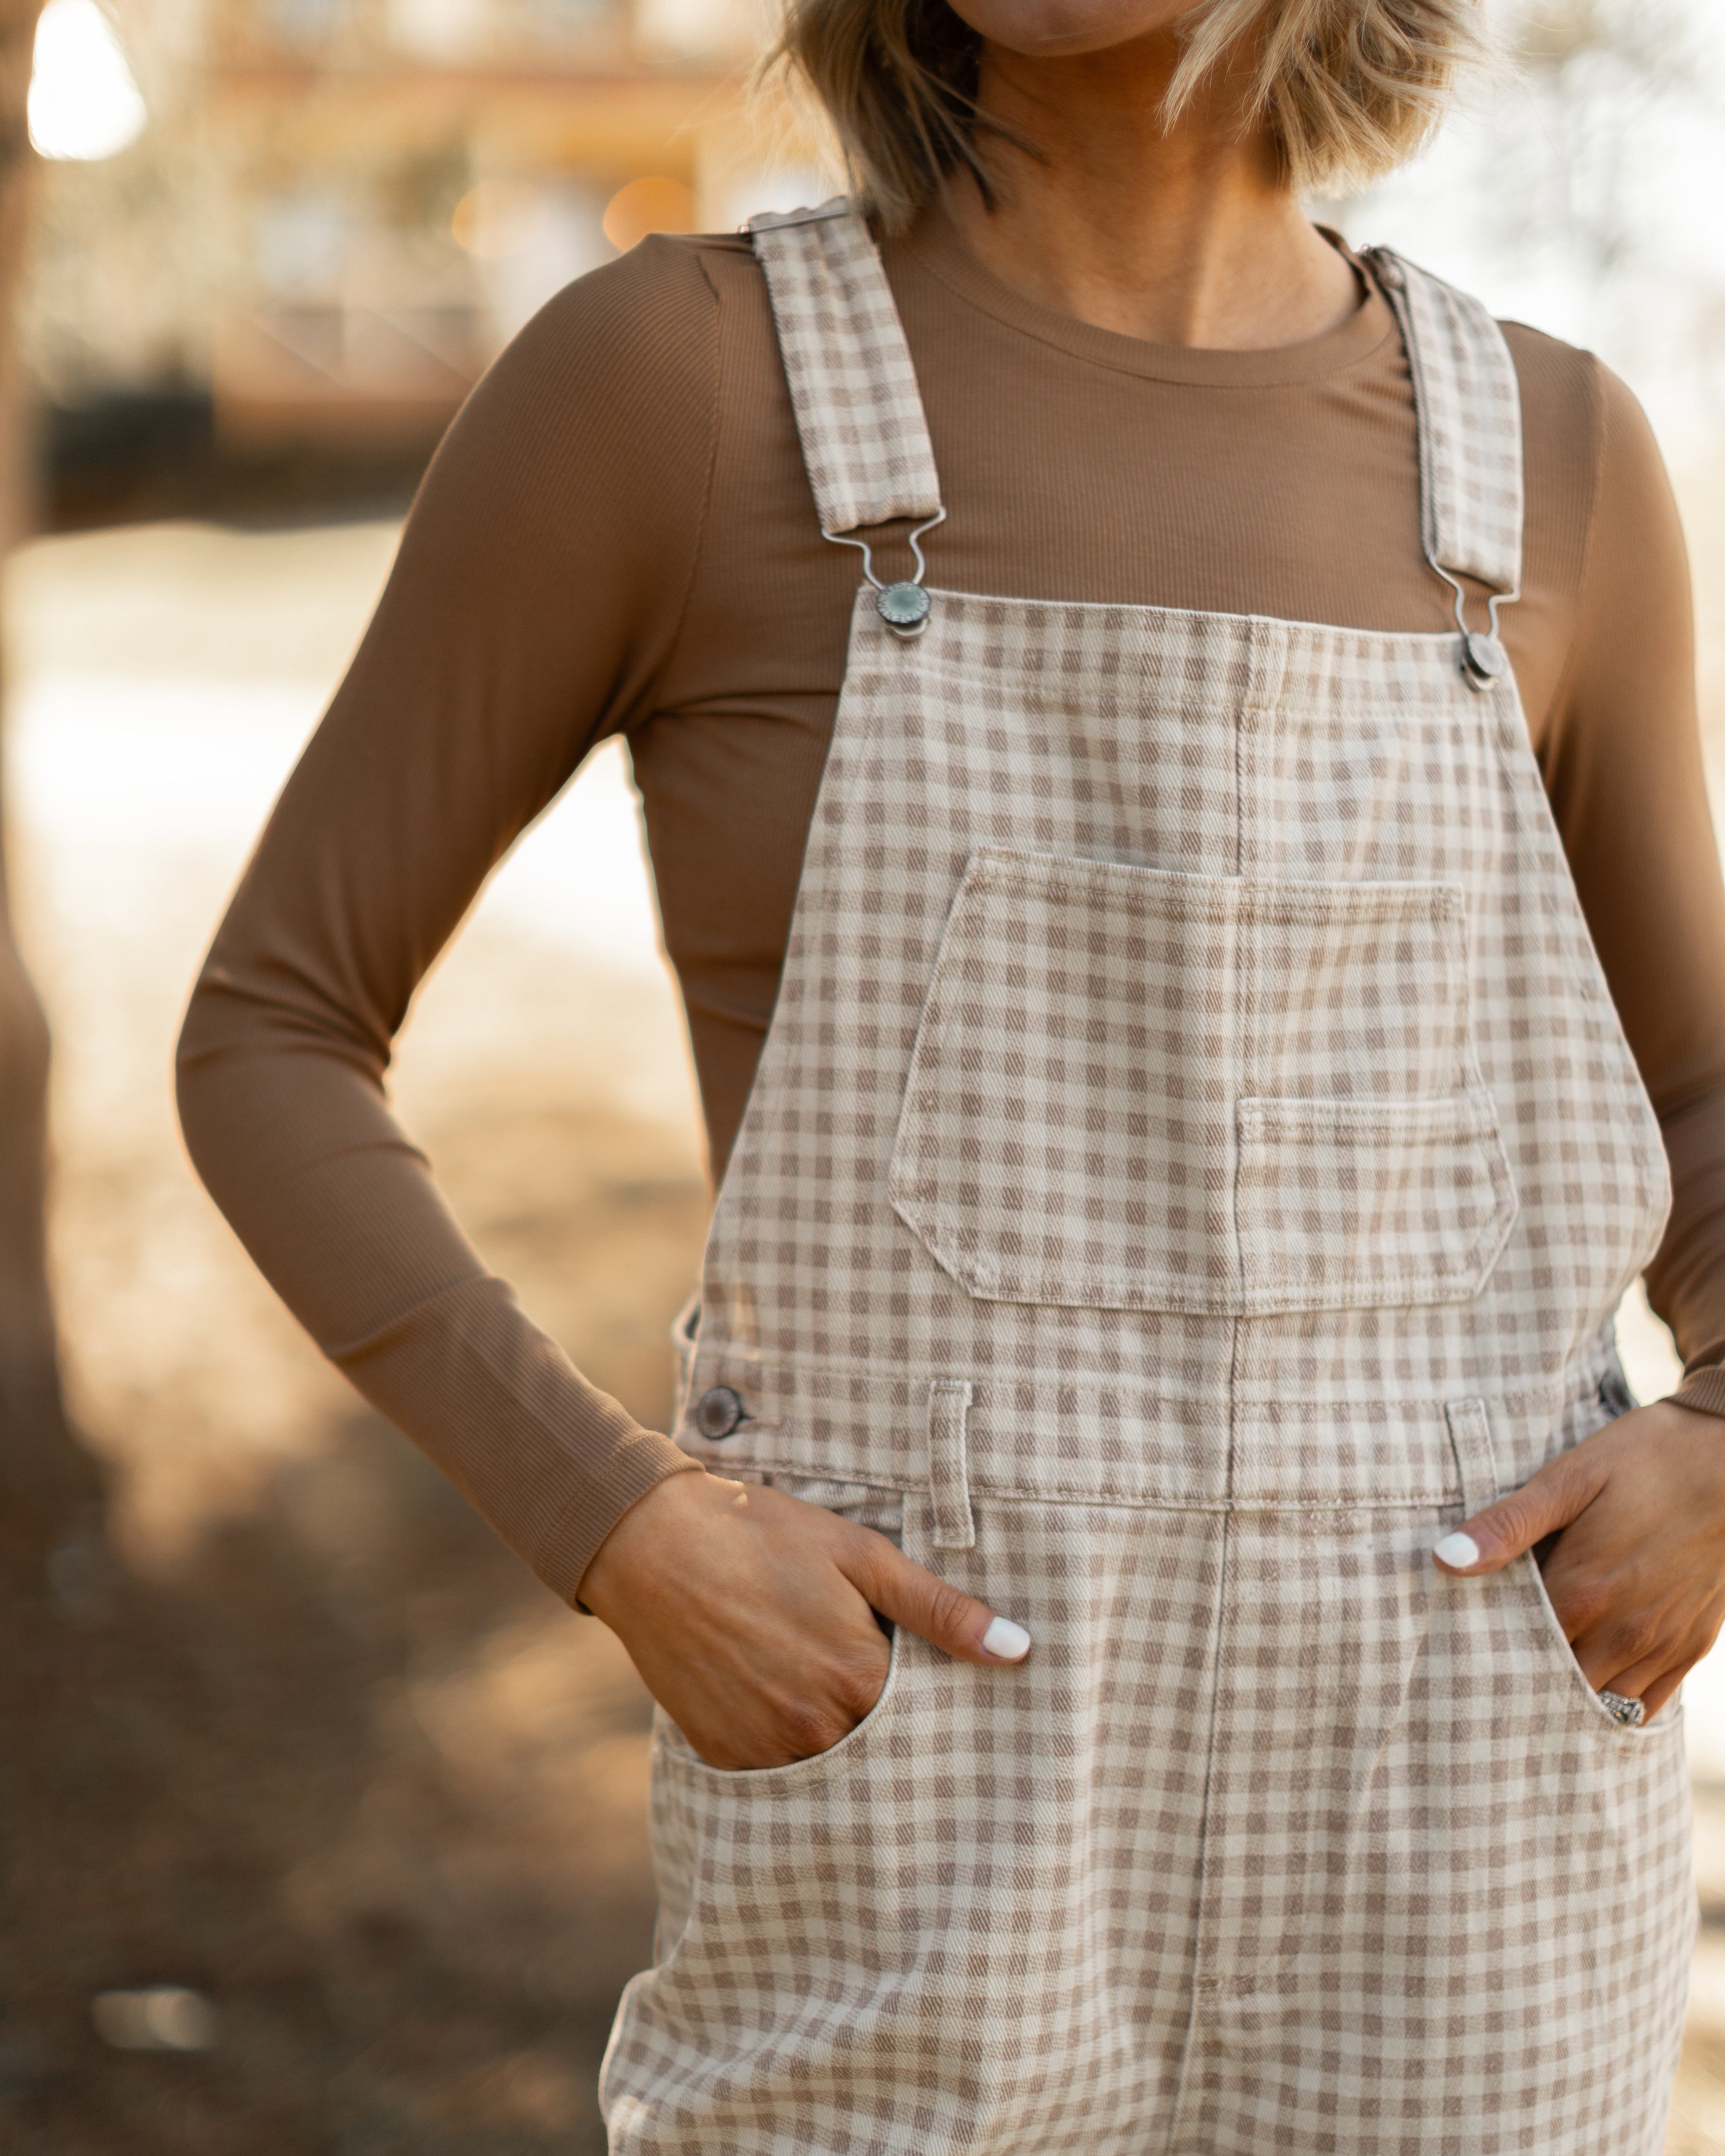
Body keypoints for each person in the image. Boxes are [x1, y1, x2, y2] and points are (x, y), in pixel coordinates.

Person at [177, 0, 1725, 2143]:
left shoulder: (1550, 457)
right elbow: (275, 1029)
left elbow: (1701, 1089)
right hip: (924, 1792)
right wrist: (620, 1526)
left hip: (1475, 1823)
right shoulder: (680, 385)